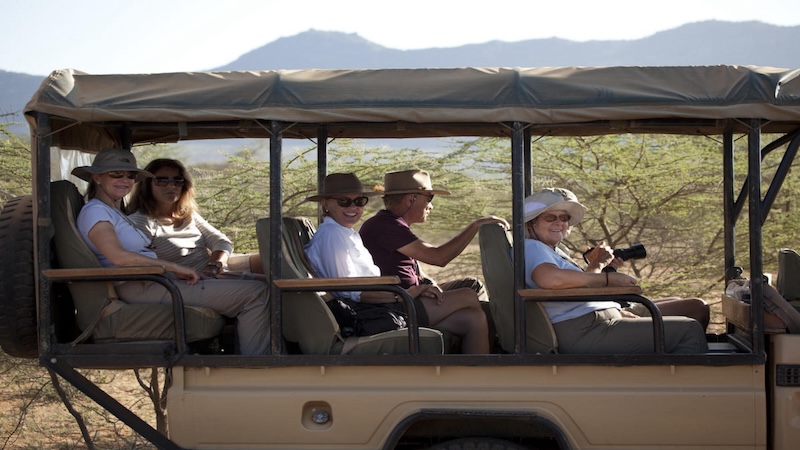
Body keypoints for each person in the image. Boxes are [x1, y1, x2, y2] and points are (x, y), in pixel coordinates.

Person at [73, 148, 269, 355]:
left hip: (157, 281)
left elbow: (221, 241)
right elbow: (118, 257)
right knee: (256, 294)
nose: (125, 180)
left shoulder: (113, 211)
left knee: (261, 282)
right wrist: (175, 267)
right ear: (97, 177)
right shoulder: (95, 211)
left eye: (130, 175)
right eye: (116, 174)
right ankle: (255, 365)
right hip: (142, 287)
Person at [304, 173, 490, 354]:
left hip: (385, 303)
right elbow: (352, 291)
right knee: (467, 295)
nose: (353, 207)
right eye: (344, 201)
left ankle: (478, 378)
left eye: (359, 201)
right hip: (374, 311)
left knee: (472, 318)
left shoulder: (345, 232)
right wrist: (405, 295)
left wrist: (419, 288)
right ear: (325, 203)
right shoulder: (333, 235)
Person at [521, 187, 708, 354]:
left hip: (592, 323)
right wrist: (608, 280)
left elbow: (571, 286)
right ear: (532, 223)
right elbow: (549, 279)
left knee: (688, 309)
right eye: (550, 217)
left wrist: (610, 302)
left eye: (564, 218)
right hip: (584, 330)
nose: (559, 223)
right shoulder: (532, 247)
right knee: (689, 330)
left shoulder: (549, 250)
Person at [360, 169, 508, 297]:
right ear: (411, 199)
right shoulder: (386, 225)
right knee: (468, 297)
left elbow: (418, 270)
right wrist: (476, 225)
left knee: (472, 285)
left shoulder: (393, 224)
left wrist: (430, 284)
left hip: (412, 294)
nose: (431, 206)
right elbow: (439, 257)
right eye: (429, 198)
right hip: (401, 302)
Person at [126, 158, 263, 280]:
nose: (171, 186)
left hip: (211, 269)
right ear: (147, 185)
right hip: (188, 280)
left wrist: (214, 265)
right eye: (161, 181)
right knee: (262, 290)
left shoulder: (187, 214)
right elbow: (143, 265)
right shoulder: (140, 222)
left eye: (177, 180)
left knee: (272, 263)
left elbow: (222, 242)